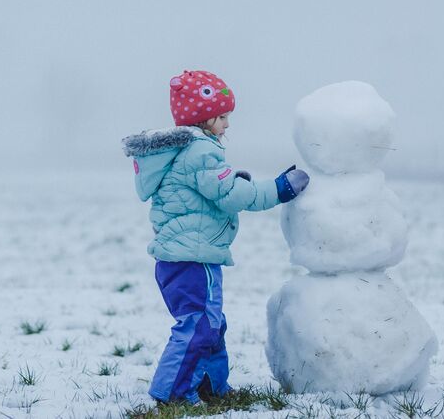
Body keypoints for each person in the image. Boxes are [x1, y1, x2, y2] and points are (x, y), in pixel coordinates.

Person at [122, 70, 310, 405]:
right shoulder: (200, 152)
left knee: (211, 325)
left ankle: (209, 384)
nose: (227, 124)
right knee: (198, 325)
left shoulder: (185, 152)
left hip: (180, 259)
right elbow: (232, 195)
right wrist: (279, 189)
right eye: (222, 117)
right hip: (193, 259)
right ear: (203, 119)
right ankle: (171, 393)